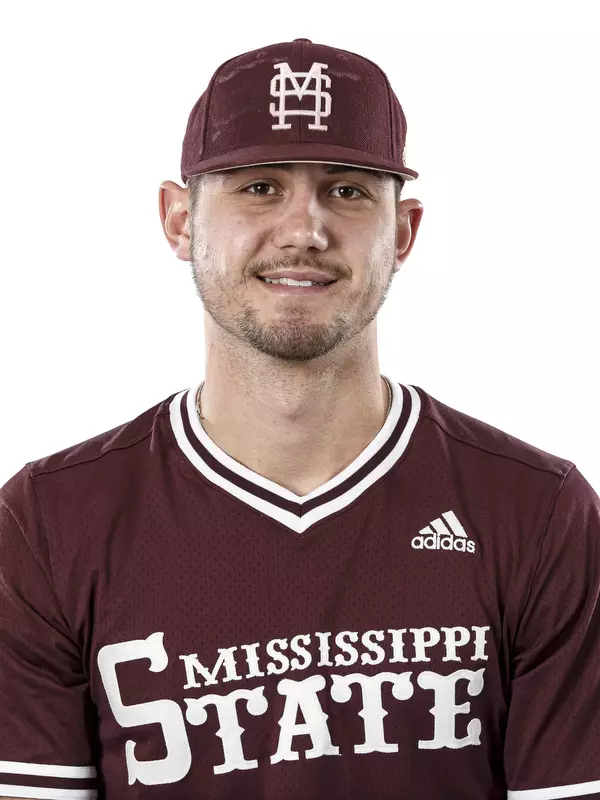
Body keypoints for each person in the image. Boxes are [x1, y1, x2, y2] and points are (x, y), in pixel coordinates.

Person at [0, 37, 598, 800]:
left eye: (347, 190)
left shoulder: (537, 513)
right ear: (179, 220)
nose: (303, 229)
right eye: (258, 187)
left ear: (404, 230)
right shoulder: (49, 524)